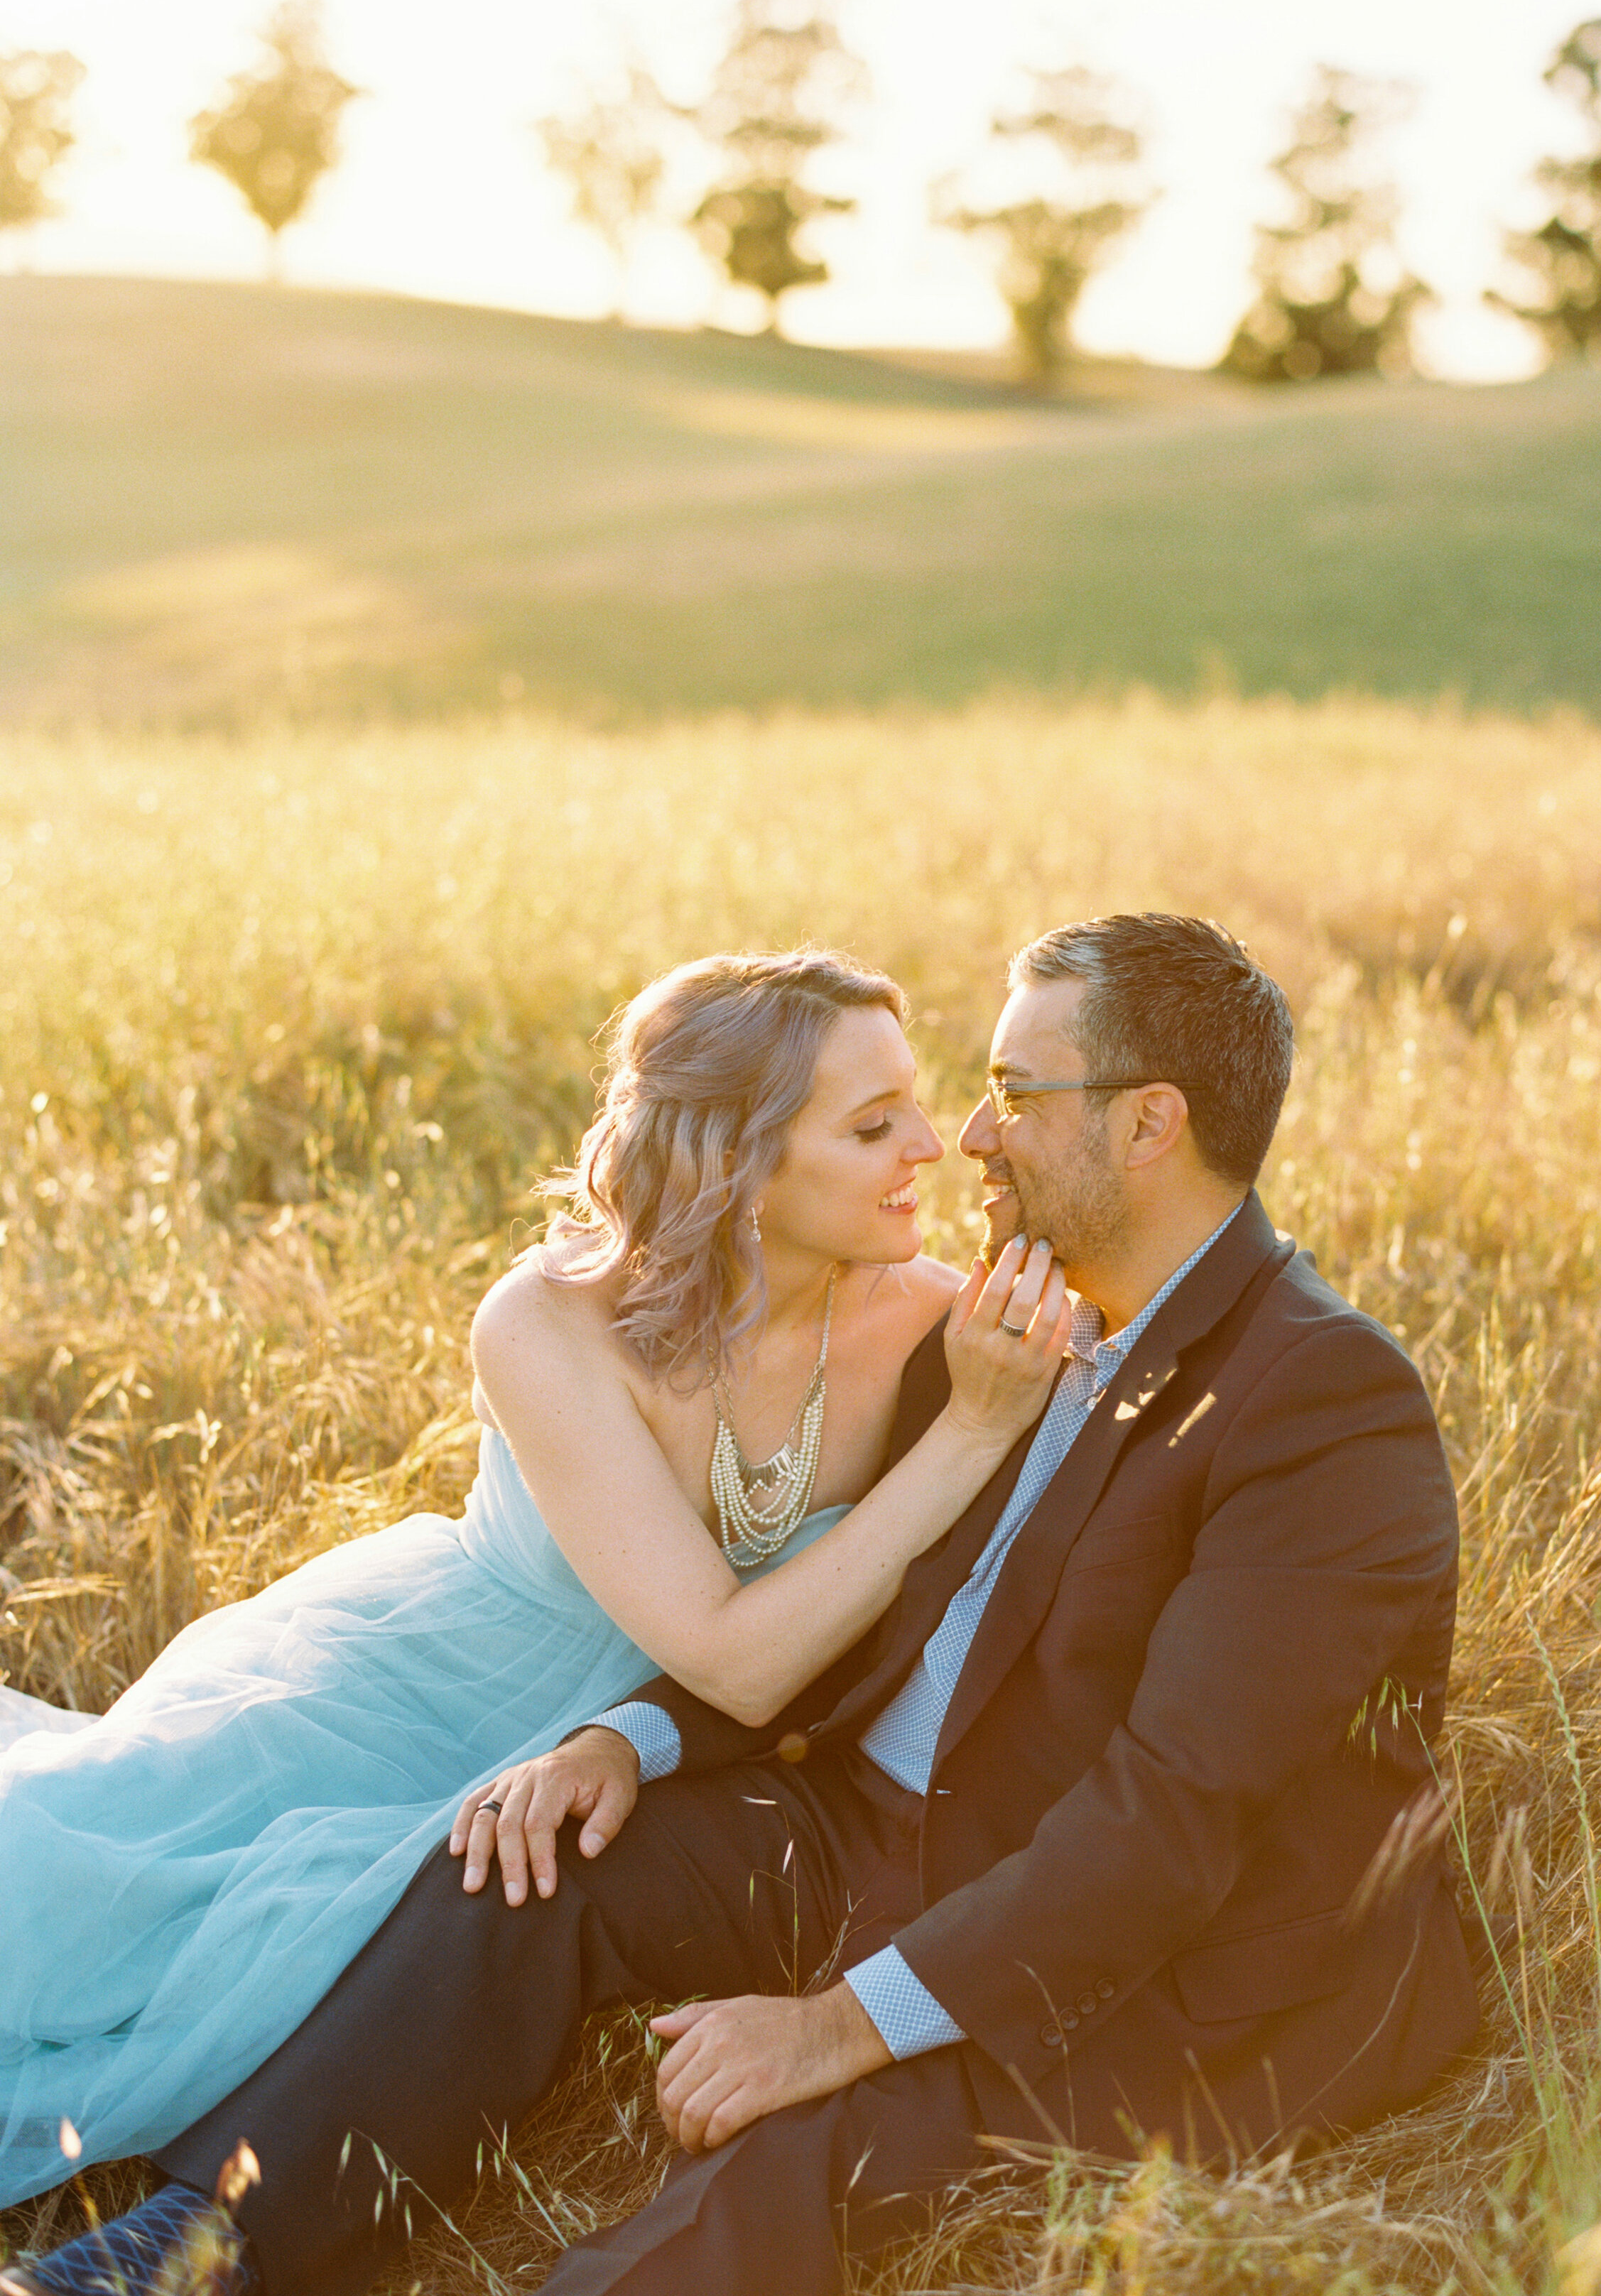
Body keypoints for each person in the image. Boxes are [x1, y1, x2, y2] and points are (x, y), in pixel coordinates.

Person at [4, 915, 1482, 2296]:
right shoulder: (1003, 1325)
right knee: (524, 1856)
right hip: (858, 1824)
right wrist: (621, 1740)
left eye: (1014, 1091)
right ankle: (187, 2259)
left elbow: (1168, 1820)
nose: (968, 1134)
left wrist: (840, 2019)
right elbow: (869, 1612)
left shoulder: (1319, 1397)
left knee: (801, 2142)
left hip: (1114, 1930)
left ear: (1146, 1123)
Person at [0, 949, 1070, 2214]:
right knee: (108, 1916)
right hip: (420, 1688)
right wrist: (967, 1439)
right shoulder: (548, 1323)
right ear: (741, 1157)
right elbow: (735, 1654)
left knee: (367, 1964)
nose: (934, 1147)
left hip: (628, 1742)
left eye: (917, 1105)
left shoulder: (936, 1320)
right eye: (873, 1123)